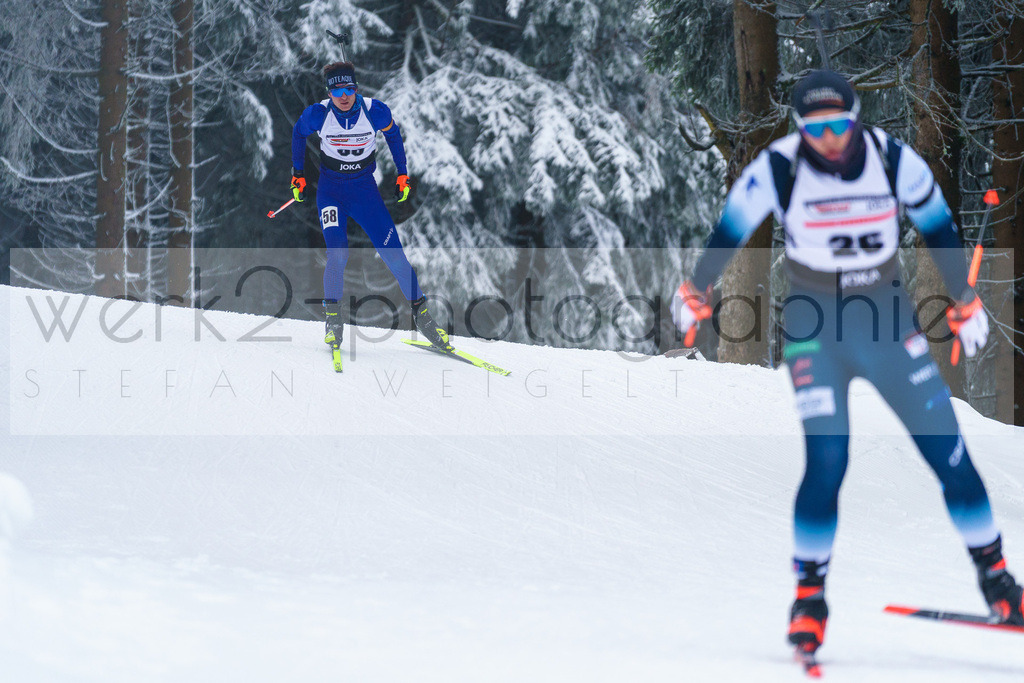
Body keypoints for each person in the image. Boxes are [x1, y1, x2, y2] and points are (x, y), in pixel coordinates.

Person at [670, 70, 1023, 655]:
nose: (829, 140)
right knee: (827, 461)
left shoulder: (892, 158)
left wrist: (962, 297)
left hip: (885, 319)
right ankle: (809, 600)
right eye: (815, 129)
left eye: (839, 126)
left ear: (856, 120)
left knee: (948, 451)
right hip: (815, 325)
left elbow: (938, 226)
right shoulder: (779, 166)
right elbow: (729, 229)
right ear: (799, 128)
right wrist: (698, 290)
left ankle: (998, 581)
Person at [291, 61, 449, 349]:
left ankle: (424, 318)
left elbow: (393, 134)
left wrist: (402, 173)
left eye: (349, 88)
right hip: (331, 193)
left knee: (394, 255)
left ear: (356, 88)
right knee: (338, 253)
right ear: (329, 91)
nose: (343, 95)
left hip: (364, 191)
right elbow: (298, 134)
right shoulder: (318, 114)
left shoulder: (375, 111)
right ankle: (333, 321)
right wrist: (298, 174)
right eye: (337, 89)